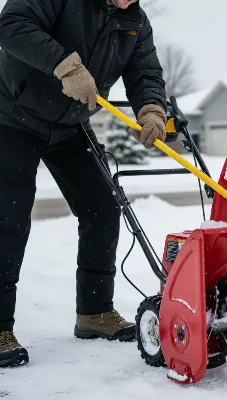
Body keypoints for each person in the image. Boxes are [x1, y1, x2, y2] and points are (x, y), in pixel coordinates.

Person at [0, 0, 167, 368]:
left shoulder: (134, 21)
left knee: (103, 207)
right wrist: (65, 65)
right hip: (11, 115)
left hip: (70, 126)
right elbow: (11, 24)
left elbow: (145, 73)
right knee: (8, 219)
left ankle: (94, 313)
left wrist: (152, 109)